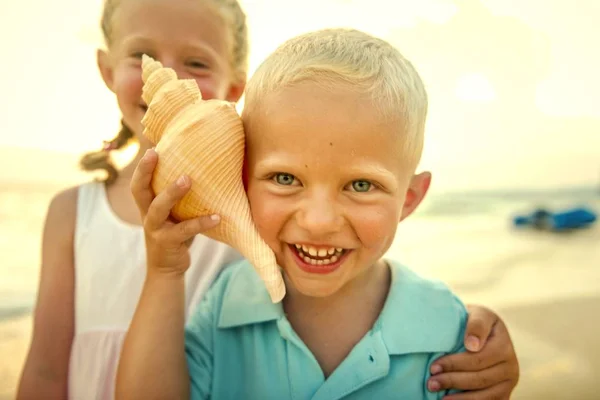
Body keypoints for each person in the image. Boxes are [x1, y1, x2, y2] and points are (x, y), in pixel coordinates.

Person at [16, 1, 518, 399]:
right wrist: (165, 268)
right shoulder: (224, 298)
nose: (317, 221)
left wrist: (470, 327)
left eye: (360, 184)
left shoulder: (254, 228)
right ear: (105, 68)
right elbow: (43, 366)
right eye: (284, 178)